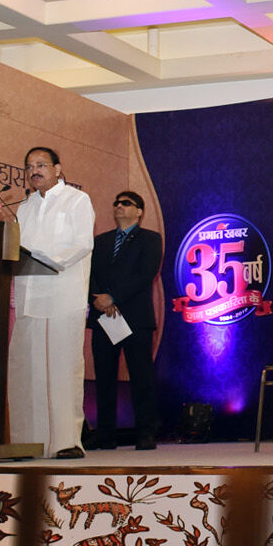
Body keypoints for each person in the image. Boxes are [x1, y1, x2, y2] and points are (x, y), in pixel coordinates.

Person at [5, 146, 94, 459]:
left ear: (58, 168)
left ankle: (66, 442)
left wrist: (51, 261)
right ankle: (28, 441)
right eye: (29, 166)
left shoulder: (76, 200)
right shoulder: (26, 206)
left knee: (62, 368)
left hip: (62, 294)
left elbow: (83, 243)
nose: (34, 171)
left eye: (41, 165)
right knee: (26, 370)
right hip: (30, 296)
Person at [87, 190, 162, 451]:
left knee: (141, 377)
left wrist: (113, 297)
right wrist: (97, 299)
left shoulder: (151, 239)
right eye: (116, 203)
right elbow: (89, 274)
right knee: (105, 377)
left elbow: (145, 274)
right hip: (104, 317)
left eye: (126, 203)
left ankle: (146, 432)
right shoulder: (101, 241)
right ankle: (106, 433)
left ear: (140, 211)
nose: (119, 206)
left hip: (135, 318)